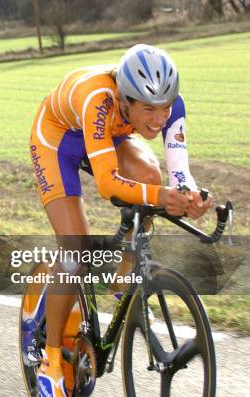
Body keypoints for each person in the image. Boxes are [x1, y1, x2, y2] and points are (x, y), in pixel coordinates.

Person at [27, 44, 213, 396]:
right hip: (56, 142)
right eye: (148, 110)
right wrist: (162, 198)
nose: (160, 119)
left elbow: (179, 173)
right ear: (125, 100)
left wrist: (190, 197)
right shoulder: (99, 98)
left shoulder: (173, 106)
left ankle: (123, 278)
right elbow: (107, 183)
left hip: (104, 134)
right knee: (76, 251)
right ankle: (50, 357)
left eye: (165, 108)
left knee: (148, 174)